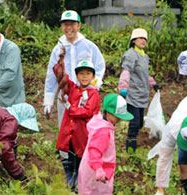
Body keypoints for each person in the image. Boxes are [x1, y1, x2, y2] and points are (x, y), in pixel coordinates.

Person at [53, 60, 101, 191]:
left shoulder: (93, 93)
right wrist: (60, 64)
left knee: (82, 157)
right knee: (71, 154)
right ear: (77, 76)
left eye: (88, 73)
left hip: (82, 133)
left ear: (93, 77)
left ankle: (81, 182)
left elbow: (87, 111)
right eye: (81, 73)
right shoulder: (73, 88)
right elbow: (62, 78)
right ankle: (71, 179)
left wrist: (69, 108)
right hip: (70, 131)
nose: (84, 76)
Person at [78, 93, 134, 195]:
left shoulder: (101, 122)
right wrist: (98, 169)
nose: (119, 120)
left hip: (97, 170)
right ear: (108, 113)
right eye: (117, 117)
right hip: (96, 174)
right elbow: (94, 150)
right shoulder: (103, 131)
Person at [118, 28, 158, 152]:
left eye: (145, 38)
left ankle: (133, 141)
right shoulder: (130, 54)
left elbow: (144, 74)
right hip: (132, 93)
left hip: (142, 93)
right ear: (134, 40)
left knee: (140, 122)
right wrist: (123, 88)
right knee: (135, 122)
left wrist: (153, 83)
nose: (143, 41)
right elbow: (126, 71)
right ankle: (130, 147)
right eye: (140, 38)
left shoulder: (144, 56)